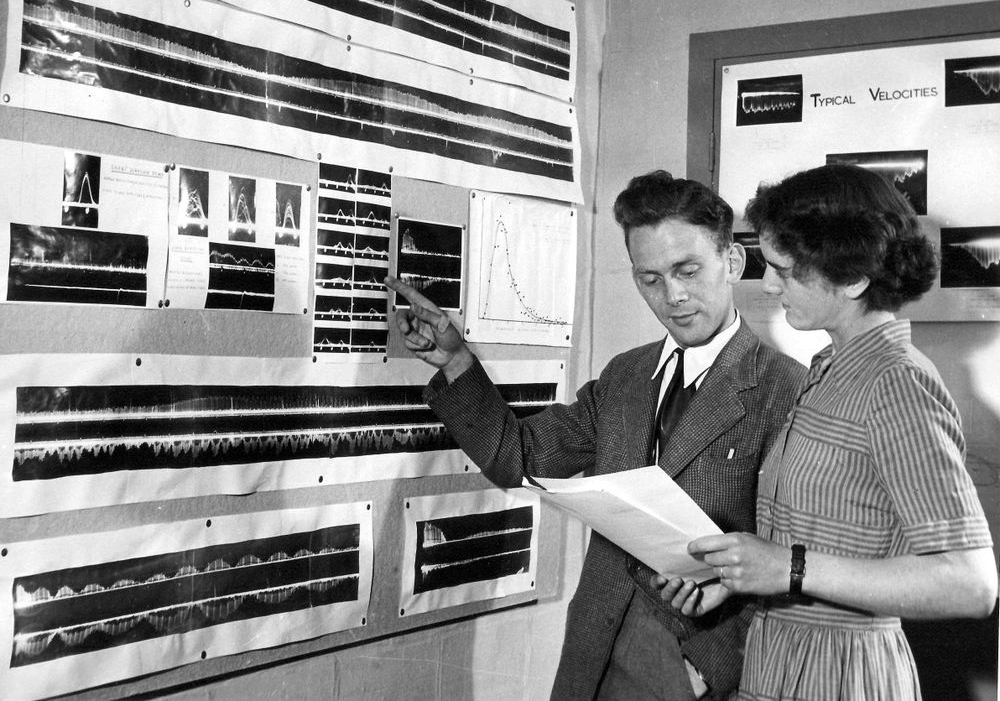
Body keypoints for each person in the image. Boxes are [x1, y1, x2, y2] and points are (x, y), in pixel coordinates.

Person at [386, 169, 806, 700]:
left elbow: (802, 561)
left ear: (733, 262)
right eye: (650, 278)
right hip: (596, 651)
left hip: (701, 665)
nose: (673, 295)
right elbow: (517, 456)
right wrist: (455, 363)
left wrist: (709, 673)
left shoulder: (786, 388)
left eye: (687, 270)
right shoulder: (626, 376)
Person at [654, 164, 998, 700]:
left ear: (853, 277)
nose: (767, 285)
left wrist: (788, 569)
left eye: (785, 271)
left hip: (844, 675)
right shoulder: (832, 368)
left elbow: (970, 583)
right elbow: (824, 539)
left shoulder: (896, 383)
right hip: (782, 662)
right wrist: (743, 576)